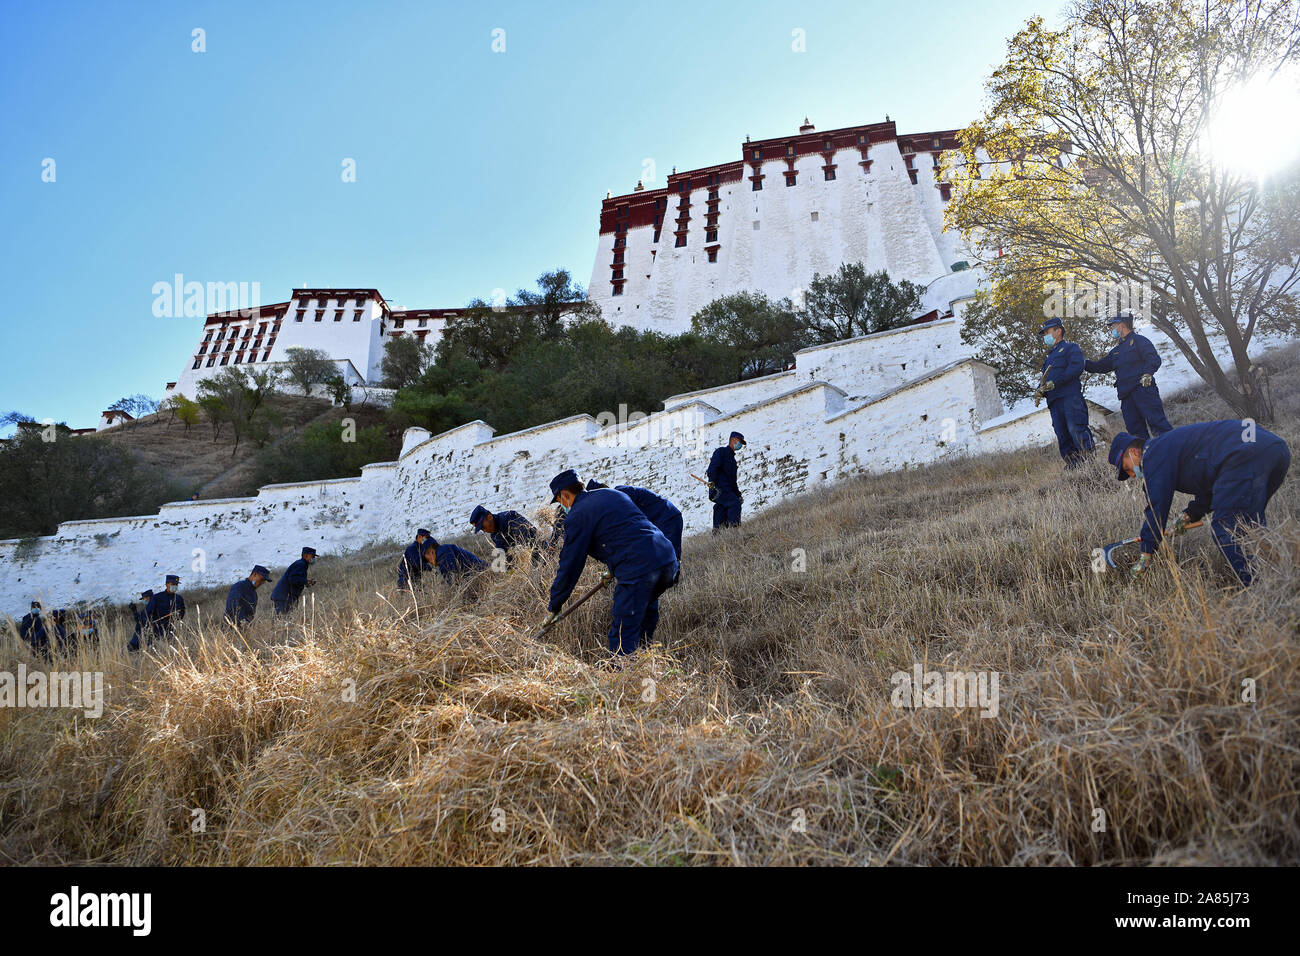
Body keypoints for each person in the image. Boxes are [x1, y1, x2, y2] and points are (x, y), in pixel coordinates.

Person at [1108, 421, 1291, 585]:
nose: (1132, 475)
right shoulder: (1169, 447)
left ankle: (1261, 588)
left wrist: (1146, 552)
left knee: (1228, 527)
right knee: (1249, 525)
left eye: (1127, 469)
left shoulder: (1153, 454)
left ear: (1133, 452)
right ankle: (1282, 576)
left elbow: (1157, 505)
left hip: (1243, 455)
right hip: (1274, 449)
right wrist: (1189, 515)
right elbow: (1218, 487)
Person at [542, 469, 678, 658]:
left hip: (639, 568)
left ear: (564, 494)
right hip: (666, 559)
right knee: (645, 613)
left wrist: (555, 605)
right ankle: (646, 661)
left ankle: (623, 678)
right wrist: (613, 568)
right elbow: (626, 532)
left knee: (624, 630)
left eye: (559, 501)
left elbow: (570, 564)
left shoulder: (577, 515)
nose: (562, 507)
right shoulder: (611, 494)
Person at [1085, 311, 1173, 440]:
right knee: (1135, 432)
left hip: (1143, 390)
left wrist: (1148, 373)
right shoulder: (1116, 351)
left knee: (1158, 425)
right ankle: (1146, 458)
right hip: (1126, 396)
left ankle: (1175, 453)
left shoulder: (1140, 341)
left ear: (1122, 325)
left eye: (1114, 325)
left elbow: (1153, 358)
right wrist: (1081, 362)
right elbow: (1099, 366)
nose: (1113, 329)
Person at [1035, 318, 1095, 468]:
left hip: (1070, 397)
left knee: (1076, 428)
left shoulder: (1071, 348)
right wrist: (1039, 390)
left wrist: (1056, 382)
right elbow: (1045, 378)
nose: (1045, 336)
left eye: (1047, 332)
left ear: (1058, 331)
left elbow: (1076, 368)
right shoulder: (1049, 357)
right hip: (1054, 402)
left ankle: (1090, 463)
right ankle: (1073, 466)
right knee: (1062, 434)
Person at [586, 479, 683, 565]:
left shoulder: (621, 493)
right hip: (660, 521)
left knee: (670, 558)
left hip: (667, 518)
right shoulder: (617, 499)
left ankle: (674, 583)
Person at [469, 505, 538, 566]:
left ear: (489, 517)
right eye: (481, 529)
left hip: (540, 552)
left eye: (483, 527)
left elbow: (530, 538)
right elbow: (506, 557)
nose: (484, 530)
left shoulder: (509, 517)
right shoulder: (494, 536)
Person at [707, 431, 747, 529]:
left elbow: (733, 482)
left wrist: (738, 495)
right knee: (734, 504)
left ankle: (718, 537)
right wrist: (712, 484)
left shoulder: (733, 461)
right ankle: (734, 531)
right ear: (733, 440)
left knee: (720, 510)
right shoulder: (721, 452)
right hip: (719, 489)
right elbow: (712, 469)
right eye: (740, 442)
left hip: (727, 491)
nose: (740, 445)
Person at [271, 547, 317, 615]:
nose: (313, 558)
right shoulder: (301, 564)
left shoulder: (302, 564)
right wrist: (305, 581)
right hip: (284, 597)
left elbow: (296, 579)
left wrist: (306, 582)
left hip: (285, 596)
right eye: (312, 556)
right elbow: (293, 579)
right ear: (305, 555)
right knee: (283, 620)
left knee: (286, 619)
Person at [422, 537, 489, 582]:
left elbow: (453, 579)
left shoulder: (442, 553)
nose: (429, 562)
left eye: (427, 559)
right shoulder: (445, 549)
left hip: (484, 577)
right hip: (483, 574)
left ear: (431, 552)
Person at [144, 574, 186, 642]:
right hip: (156, 632)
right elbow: (147, 612)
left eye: (176, 584)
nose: (175, 586)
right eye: (172, 584)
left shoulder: (179, 598)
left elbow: (182, 612)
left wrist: (177, 615)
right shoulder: (157, 597)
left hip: (171, 632)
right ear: (166, 584)